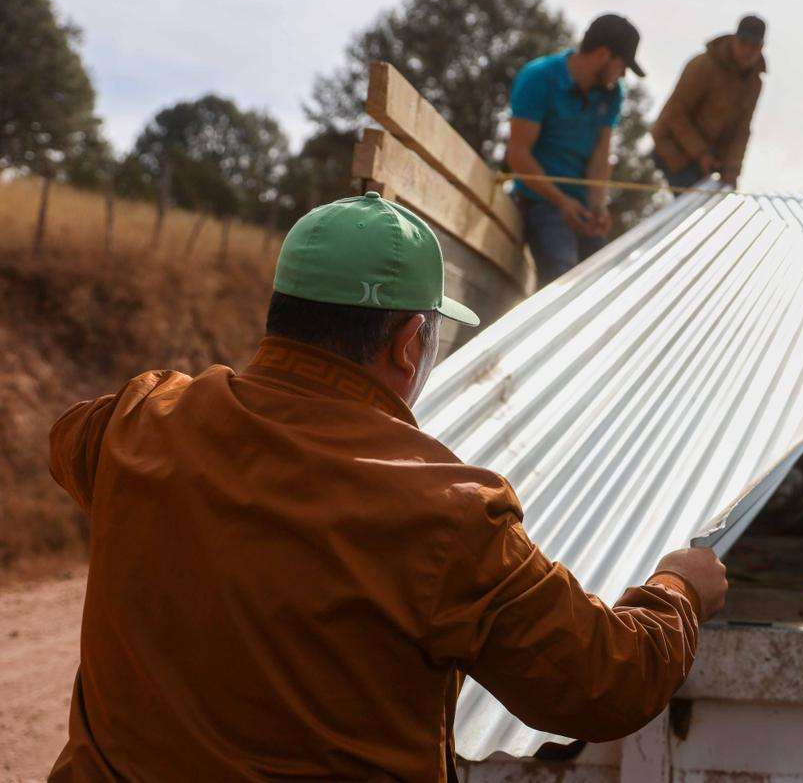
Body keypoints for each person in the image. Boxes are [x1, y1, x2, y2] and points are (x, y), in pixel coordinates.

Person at [47, 191, 728, 781]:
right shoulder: (447, 513)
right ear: (408, 343)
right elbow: (602, 684)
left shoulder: (141, 419)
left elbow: (70, 440)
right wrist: (679, 590)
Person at [506, 13, 644, 287]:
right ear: (604, 54)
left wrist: (597, 208)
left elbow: (600, 156)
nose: (623, 74)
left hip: (579, 209)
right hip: (540, 202)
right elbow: (518, 155)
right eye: (622, 65)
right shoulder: (539, 77)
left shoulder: (613, 93)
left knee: (605, 277)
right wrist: (560, 200)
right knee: (563, 275)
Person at [650, 14, 767, 190]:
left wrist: (731, 173)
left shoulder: (754, 83)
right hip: (672, 151)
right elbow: (675, 114)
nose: (748, 51)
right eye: (744, 43)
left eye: (755, 46)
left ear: (762, 47)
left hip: (704, 164)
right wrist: (702, 154)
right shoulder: (703, 66)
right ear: (734, 39)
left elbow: (741, 130)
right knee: (686, 211)